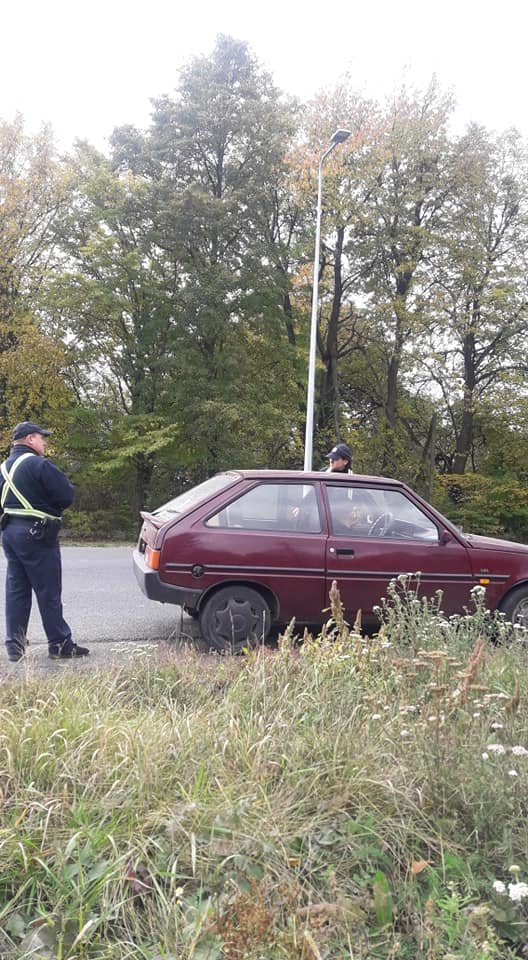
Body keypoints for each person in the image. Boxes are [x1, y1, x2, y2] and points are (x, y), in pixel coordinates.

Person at [0, 421, 89, 663]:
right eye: (42, 438)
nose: (44, 442)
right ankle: (60, 645)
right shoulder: (39, 465)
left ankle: (15, 647)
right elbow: (66, 495)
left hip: (9, 533)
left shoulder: (3, 467)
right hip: (37, 535)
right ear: (30, 439)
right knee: (48, 591)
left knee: (17, 590)